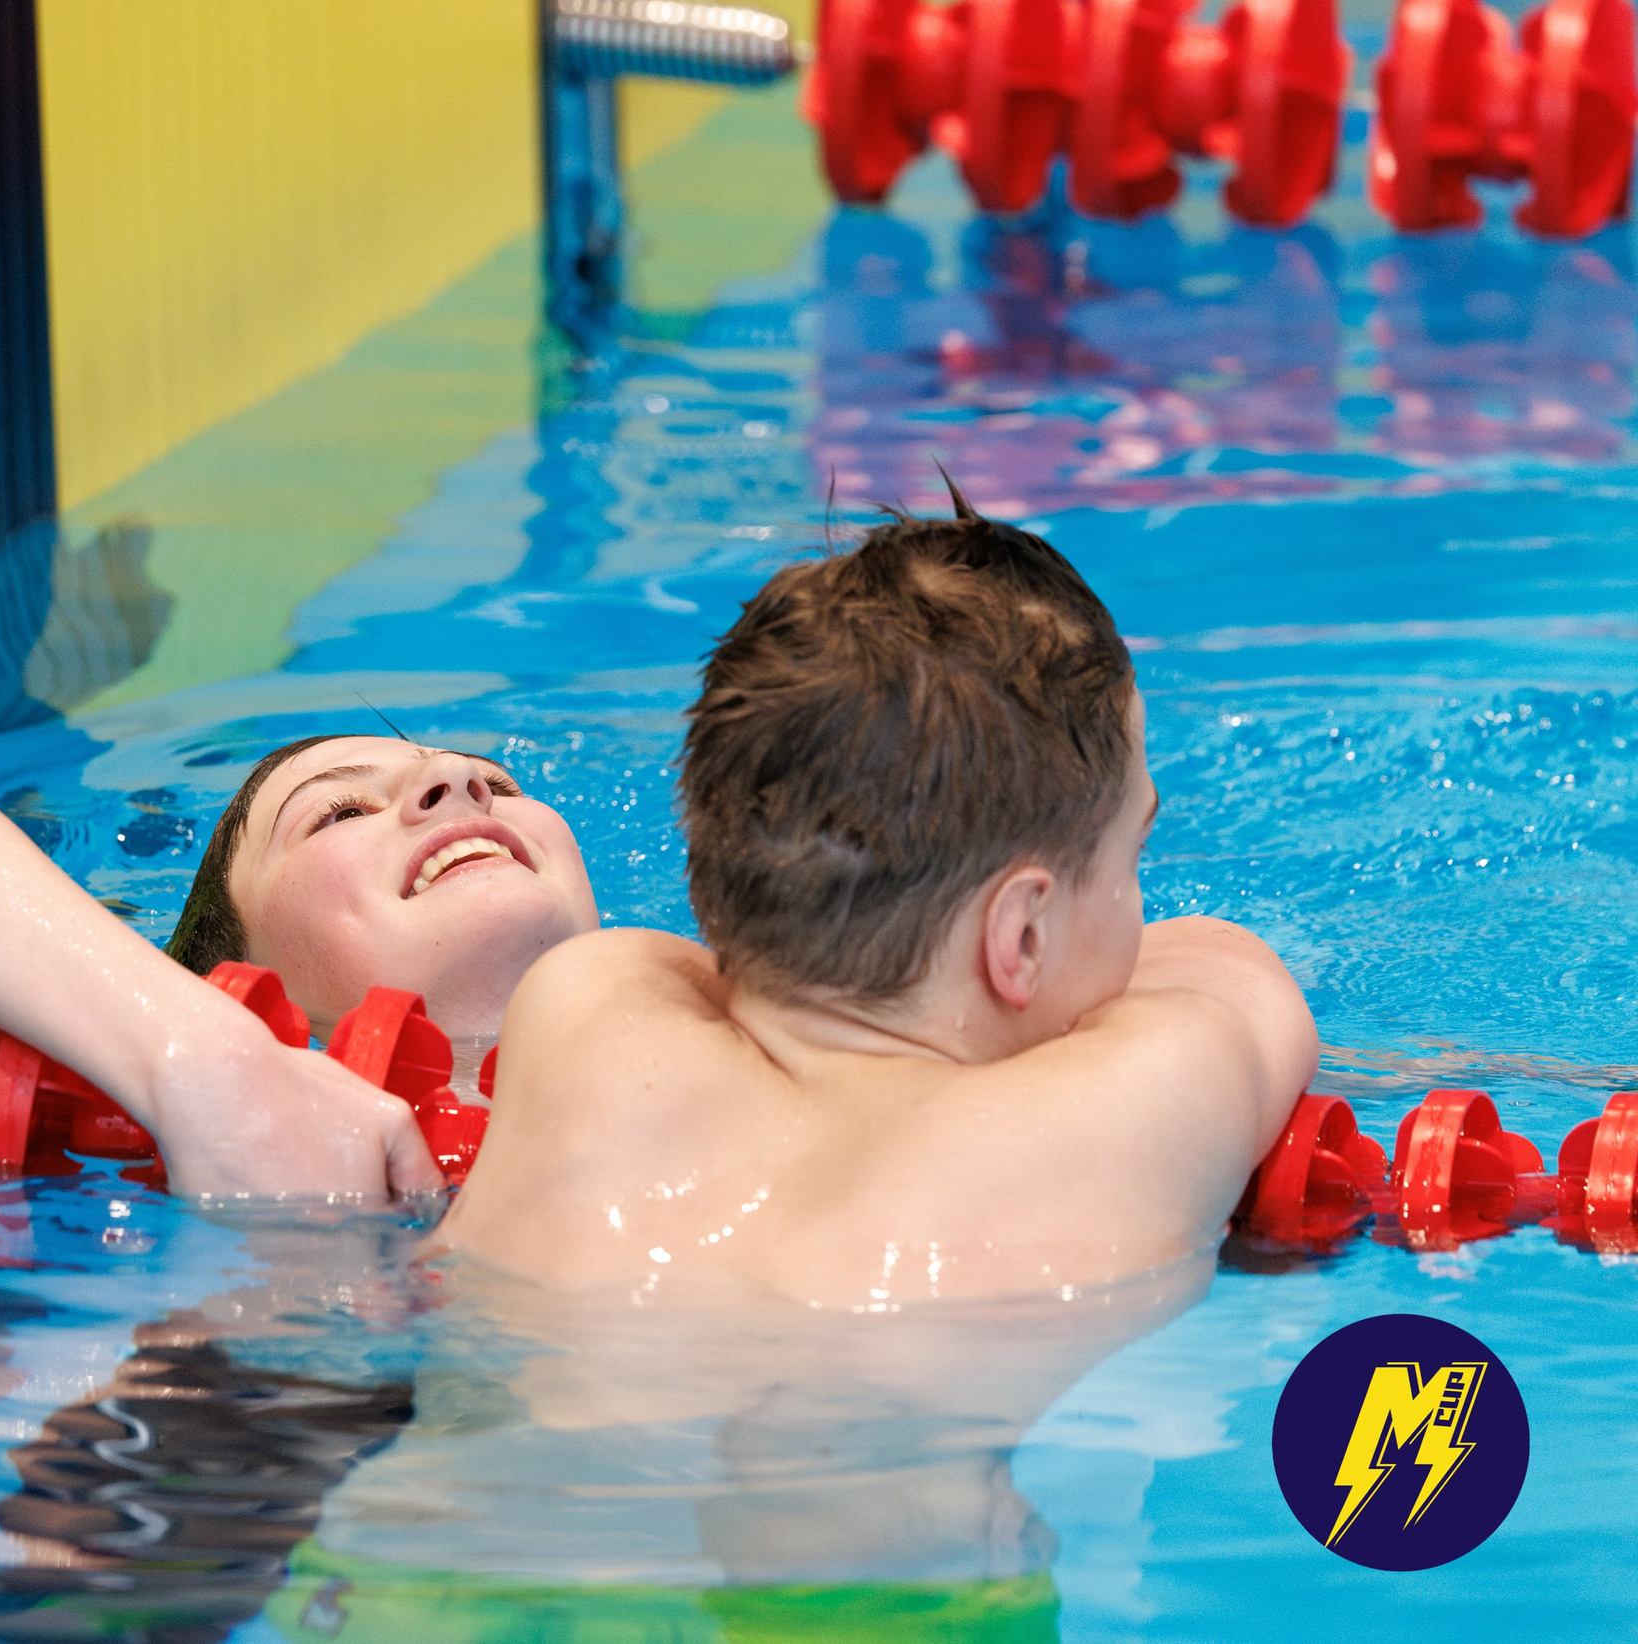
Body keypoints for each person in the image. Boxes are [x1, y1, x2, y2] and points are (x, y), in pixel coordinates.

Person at [438, 499, 1318, 1302]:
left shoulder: (590, 1000)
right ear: (1018, 937)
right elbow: (1228, 970)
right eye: (1136, 855)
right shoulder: (1113, 1112)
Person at [0, 715, 600, 1202]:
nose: (464, 783)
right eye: (341, 812)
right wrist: (199, 1058)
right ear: (237, 984)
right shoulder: (158, 1134)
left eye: (500, 784)